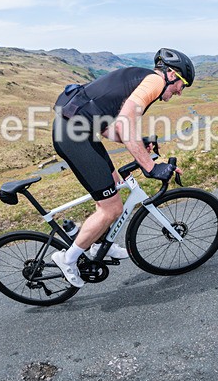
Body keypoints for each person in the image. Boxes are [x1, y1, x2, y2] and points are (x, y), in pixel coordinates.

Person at [50, 48, 194, 287]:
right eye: (182, 85)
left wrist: (142, 142)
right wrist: (150, 166)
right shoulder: (154, 83)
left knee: (114, 186)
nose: (180, 91)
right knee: (112, 209)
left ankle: (97, 245)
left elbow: (111, 129)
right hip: (74, 138)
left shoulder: (139, 80)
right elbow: (127, 121)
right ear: (171, 75)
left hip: (79, 133)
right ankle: (67, 258)